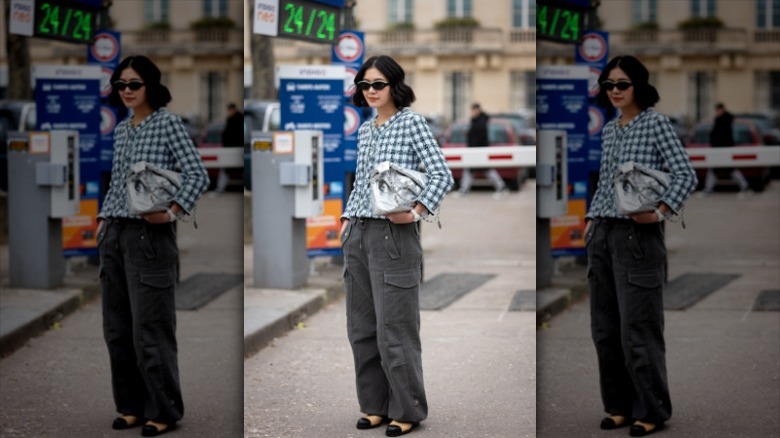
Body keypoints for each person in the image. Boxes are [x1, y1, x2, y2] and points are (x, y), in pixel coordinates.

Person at [340, 55, 453, 437]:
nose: (370, 91)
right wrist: (345, 221)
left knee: (396, 327)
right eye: (364, 85)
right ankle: (374, 406)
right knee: (362, 327)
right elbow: (360, 183)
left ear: (394, 86)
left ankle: (407, 409)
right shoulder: (367, 129)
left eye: (377, 84)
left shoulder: (412, 123)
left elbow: (441, 174)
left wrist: (418, 210)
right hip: (357, 234)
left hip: (393, 236)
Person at [584, 55, 697, 437]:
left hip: (637, 237)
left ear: (639, 86)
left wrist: (662, 211)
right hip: (602, 235)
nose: (614, 91)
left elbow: (685, 173)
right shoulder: (612, 129)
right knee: (605, 329)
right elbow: (604, 184)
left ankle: (651, 410)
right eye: (609, 85)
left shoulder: (656, 124)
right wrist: (589, 223)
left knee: (639, 328)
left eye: (622, 84)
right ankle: (618, 406)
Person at [96, 55, 209, 437]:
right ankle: (130, 406)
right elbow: (116, 183)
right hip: (114, 235)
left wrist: (174, 211)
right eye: (121, 85)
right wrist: (101, 222)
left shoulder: (168, 124)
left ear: (151, 86)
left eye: (134, 84)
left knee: (151, 328)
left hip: (149, 237)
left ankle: (163, 410)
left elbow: (198, 173)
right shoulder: (123, 130)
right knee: (117, 328)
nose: (126, 91)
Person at [455, 103, 508, 198]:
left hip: (478, 150)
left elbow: (479, 136)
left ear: (478, 110)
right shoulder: (478, 121)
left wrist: (470, 135)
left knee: (482, 170)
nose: (472, 113)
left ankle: (501, 187)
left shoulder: (480, 122)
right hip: (476, 150)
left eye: (474, 110)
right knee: (472, 170)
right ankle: (464, 189)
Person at [701, 102, 751, 197]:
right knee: (717, 169)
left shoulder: (721, 120)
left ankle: (745, 187)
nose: (716, 112)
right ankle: (708, 189)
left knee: (725, 168)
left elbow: (720, 134)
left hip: (721, 148)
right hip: (721, 148)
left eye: (717, 110)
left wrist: (712, 134)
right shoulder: (725, 120)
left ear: (721, 109)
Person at [215, 103, 244, 194]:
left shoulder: (233, 120)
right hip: (235, 148)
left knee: (225, 168)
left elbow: (231, 134)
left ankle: (220, 189)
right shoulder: (238, 118)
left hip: (233, 147)